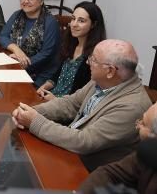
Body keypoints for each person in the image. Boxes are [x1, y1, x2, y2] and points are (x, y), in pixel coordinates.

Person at [12, 39, 152, 171]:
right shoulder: (101, 81)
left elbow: (84, 141)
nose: (87, 62)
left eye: (94, 60)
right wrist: (29, 112)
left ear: (110, 71)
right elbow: (70, 104)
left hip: (89, 170)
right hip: (69, 153)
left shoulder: (132, 107)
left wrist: (35, 121)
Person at [79, 103, 157, 194]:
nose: (138, 126)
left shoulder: (149, 152)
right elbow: (108, 173)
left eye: (143, 123)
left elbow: (86, 141)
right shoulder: (146, 155)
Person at [37, 2, 106, 100]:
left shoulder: (94, 57)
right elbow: (58, 74)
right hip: (52, 98)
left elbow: (83, 97)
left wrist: (55, 100)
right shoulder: (71, 45)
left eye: (81, 21)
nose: (74, 24)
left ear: (93, 25)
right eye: (73, 18)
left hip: (67, 108)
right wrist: (44, 86)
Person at [0, 0, 60, 87]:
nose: (25, 1)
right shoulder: (17, 15)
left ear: (41, 1)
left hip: (40, 74)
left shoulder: (50, 22)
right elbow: (2, 36)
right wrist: (16, 50)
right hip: (17, 67)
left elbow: (46, 53)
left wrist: (21, 61)